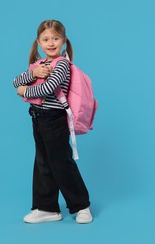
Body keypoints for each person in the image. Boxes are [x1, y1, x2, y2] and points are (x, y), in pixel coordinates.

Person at [13, 20, 93, 224]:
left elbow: (47, 89)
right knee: (42, 163)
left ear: (64, 41)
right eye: (46, 39)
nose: (51, 43)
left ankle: (81, 205)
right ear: (38, 42)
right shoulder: (38, 65)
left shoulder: (63, 65)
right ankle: (47, 208)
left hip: (54, 120)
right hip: (37, 118)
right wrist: (32, 74)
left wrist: (23, 92)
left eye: (55, 39)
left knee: (62, 163)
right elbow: (14, 81)